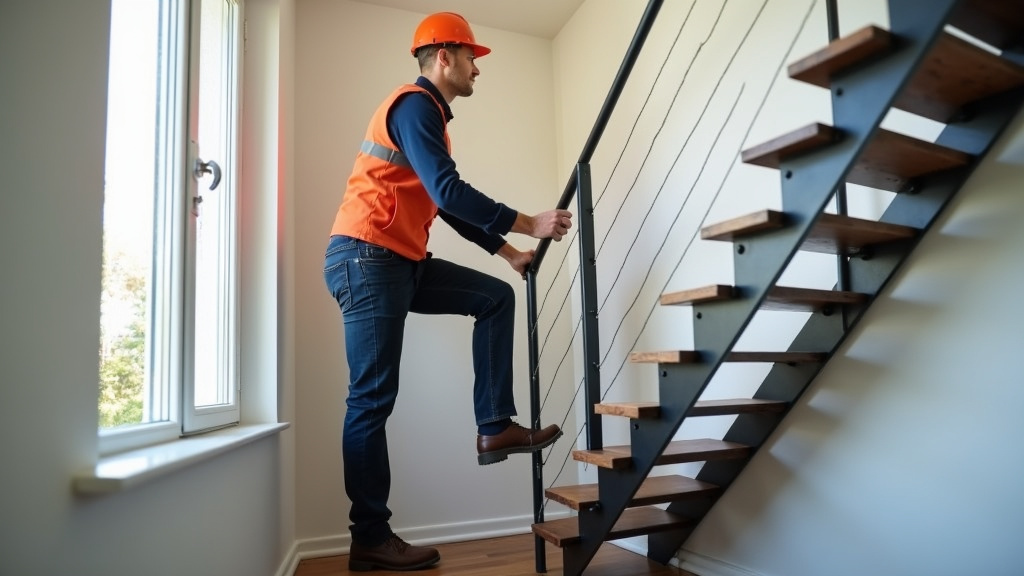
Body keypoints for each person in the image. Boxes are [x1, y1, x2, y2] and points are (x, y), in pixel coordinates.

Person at [323, 11, 573, 572]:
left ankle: (494, 427)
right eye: (471, 58)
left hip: (397, 260)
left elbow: (440, 200)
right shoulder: (415, 106)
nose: (476, 70)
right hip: (366, 257)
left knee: (494, 297)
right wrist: (526, 222)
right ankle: (369, 536)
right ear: (444, 57)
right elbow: (449, 189)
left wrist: (507, 253)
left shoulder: (429, 117)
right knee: (371, 399)